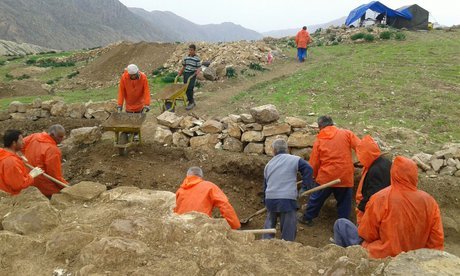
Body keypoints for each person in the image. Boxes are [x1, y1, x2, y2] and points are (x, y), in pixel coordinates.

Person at [333, 156, 444, 258]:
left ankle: (344, 260)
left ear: (393, 174)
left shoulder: (381, 198)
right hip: (414, 258)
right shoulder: (430, 201)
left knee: (341, 224)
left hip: (381, 255)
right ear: (415, 175)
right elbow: (436, 241)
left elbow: (366, 234)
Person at [298, 116, 360, 226]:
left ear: (319, 127)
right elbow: (361, 146)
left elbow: (314, 163)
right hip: (345, 176)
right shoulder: (346, 133)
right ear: (332, 124)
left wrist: (314, 176)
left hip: (326, 177)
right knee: (344, 202)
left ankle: (307, 218)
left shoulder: (320, 140)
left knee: (316, 199)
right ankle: (344, 225)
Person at [262, 139, 313, 241]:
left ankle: (265, 242)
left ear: (274, 150)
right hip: (287, 199)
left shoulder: (268, 165)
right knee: (288, 226)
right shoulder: (294, 159)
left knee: (270, 221)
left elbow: (265, 186)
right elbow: (308, 169)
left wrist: (266, 202)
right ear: (287, 149)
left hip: (270, 198)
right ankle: (287, 244)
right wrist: (304, 187)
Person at [174, 167, 240, 229]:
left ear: (187, 176)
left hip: (180, 227)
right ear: (201, 177)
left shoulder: (180, 190)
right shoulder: (209, 186)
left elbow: (173, 211)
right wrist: (234, 225)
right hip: (200, 227)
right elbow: (224, 204)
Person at [22, 125, 68, 197]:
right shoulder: (52, 150)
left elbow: (19, 145)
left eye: (63, 136)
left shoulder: (35, 136)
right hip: (42, 184)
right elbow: (54, 173)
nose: (62, 139)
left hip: (27, 178)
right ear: (52, 135)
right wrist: (65, 186)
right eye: (60, 137)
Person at [355, 135, 391, 225]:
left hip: (375, 210)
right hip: (387, 206)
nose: (360, 159)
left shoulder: (376, 170)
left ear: (366, 154)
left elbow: (373, 194)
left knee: (364, 232)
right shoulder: (385, 162)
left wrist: (361, 207)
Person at [0, 130, 43, 195]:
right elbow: (18, 185)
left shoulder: (3, 153)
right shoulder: (11, 161)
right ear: (14, 143)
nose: (23, 142)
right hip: (9, 196)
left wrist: (18, 158)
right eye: (21, 140)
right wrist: (31, 176)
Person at [178, 44, 201, 110]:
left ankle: (191, 102)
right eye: (189, 50)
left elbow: (199, 67)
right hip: (186, 74)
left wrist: (197, 71)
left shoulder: (197, 59)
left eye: (191, 50)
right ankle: (190, 100)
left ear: (194, 50)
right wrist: (180, 72)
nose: (190, 51)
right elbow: (184, 66)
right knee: (185, 88)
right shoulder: (186, 58)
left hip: (192, 74)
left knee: (190, 88)